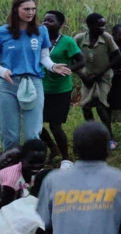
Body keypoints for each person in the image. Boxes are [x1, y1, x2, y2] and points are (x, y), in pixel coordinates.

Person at [0, 0, 70, 151]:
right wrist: (2, 70)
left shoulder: (41, 31)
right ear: (15, 10)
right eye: (26, 9)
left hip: (33, 83)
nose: (30, 12)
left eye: (33, 9)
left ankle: (31, 169)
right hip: (8, 84)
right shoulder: (0, 32)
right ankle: (11, 170)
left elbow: (44, 57)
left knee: (33, 133)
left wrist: (53, 67)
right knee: (10, 134)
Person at [37, 122, 121, 234]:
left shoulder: (52, 181)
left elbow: (47, 226)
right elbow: (120, 225)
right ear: (107, 149)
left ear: (75, 150)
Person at [40, 11, 85, 167]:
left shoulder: (67, 41)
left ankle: (66, 157)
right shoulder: (38, 40)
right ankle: (53, 148)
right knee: (36, 125)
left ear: (59, 25)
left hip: (60, 89)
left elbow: (81, 61)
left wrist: (67, 70)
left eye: (50, 21)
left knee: (55, 125)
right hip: (41, 88)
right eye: (44, 20)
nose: (45, 23)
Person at [75, 13, 121, 150]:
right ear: (90, 26)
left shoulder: (106, 38)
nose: (103, 27)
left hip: (104, 77)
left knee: (101, 106)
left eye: (104, 25)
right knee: (86, 106)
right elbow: (71, 57)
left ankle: (109, 137)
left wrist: (102, 71)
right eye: (100, 25)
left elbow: (117, 56)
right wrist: (81, 75)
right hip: (87, 77)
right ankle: (93, 135)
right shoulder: (79, 39)